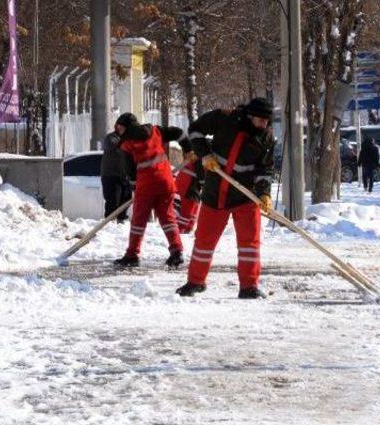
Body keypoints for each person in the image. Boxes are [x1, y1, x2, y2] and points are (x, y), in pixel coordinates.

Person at [176, 97, 275, 299]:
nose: (264, 124)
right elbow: (195, 130)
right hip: (216, 191)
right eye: (260, 120)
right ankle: (195, 282)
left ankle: (249, 286)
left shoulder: (266, 138)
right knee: (204, 240)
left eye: (267, 121)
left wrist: (264, 192)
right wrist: (204, 154)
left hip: (246, 196)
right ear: (250, 115)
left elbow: (266, 170)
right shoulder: (225, 118)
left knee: (250, 244)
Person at [113, 113, 188, 268]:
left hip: (146, 185)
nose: (118, 131)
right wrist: (188, 148)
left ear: (126, 127)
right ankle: (176, 251)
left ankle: (132, 254)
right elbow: (178, 133)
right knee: (168, 218)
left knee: (138, 221)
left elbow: (130, 170)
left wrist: (135, 186)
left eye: (119, 127)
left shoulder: (127, 144)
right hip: (166, 181)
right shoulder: (155, 131)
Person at [101, 130, 132, 222]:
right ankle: (109, 222)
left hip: (124, 176)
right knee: (113, 200)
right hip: (111, 175)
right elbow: (110, 145)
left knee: (127, 198)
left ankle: (121, 219)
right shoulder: (111, 137)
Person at [174, 139, 203, 233]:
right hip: (188, 183)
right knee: (187, 207)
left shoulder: (201, 151)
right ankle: (181, 230)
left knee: (193, 205)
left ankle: (187, 228)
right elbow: (201, 172)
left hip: (192, 183)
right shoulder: (201, 153)